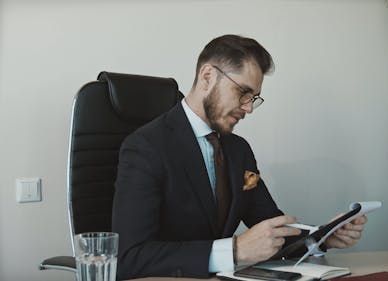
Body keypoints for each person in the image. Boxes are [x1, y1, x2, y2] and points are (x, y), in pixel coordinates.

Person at [112, 34, 367, 280]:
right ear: (207, 77)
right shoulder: (145, 147)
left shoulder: (239, 150)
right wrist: (233, 250)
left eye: (253, 98)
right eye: (243, 92)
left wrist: (321, 236)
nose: (248, 108)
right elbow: (129, 257)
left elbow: (271, 227)